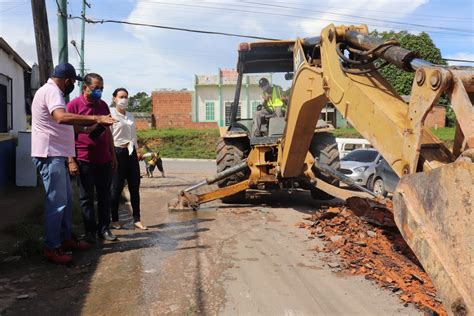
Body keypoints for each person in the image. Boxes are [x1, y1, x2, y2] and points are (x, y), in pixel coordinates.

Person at [31, 63, 116, 264]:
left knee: (67, 202)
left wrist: (89, 129)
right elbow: (60, 118)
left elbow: (69, 127)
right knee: (56, 203)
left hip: (58, 154)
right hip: (50, 154)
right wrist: (94, 117)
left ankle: (66, 238)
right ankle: (52, 247)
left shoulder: (53, 92)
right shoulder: (52, 91)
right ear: (68, 80)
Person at [67, 73, 118, 243]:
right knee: (86, 197)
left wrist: (113, 155)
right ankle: (90, 231)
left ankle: (104, 229)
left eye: (102, 88)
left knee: (105, 196)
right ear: (85, 88)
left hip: (104, 159)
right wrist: (71, 159)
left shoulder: (103, 105)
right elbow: (66, 134)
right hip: (84, 159)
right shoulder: (74, 105)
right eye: (96, 88)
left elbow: (108, 132)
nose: (99, 92)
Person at [109, 88, 148, 230]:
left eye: (126, 97)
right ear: (114, 98)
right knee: (116, 188)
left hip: (131, 152)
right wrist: (112, 155)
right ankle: (114, 220)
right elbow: (109, 137)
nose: (124, 99)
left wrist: (138, 150)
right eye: (121, 97)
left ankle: (137, 219)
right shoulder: (110, 113)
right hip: (117, 152)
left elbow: (133, 135)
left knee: (134, 187)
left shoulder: (130, 115)